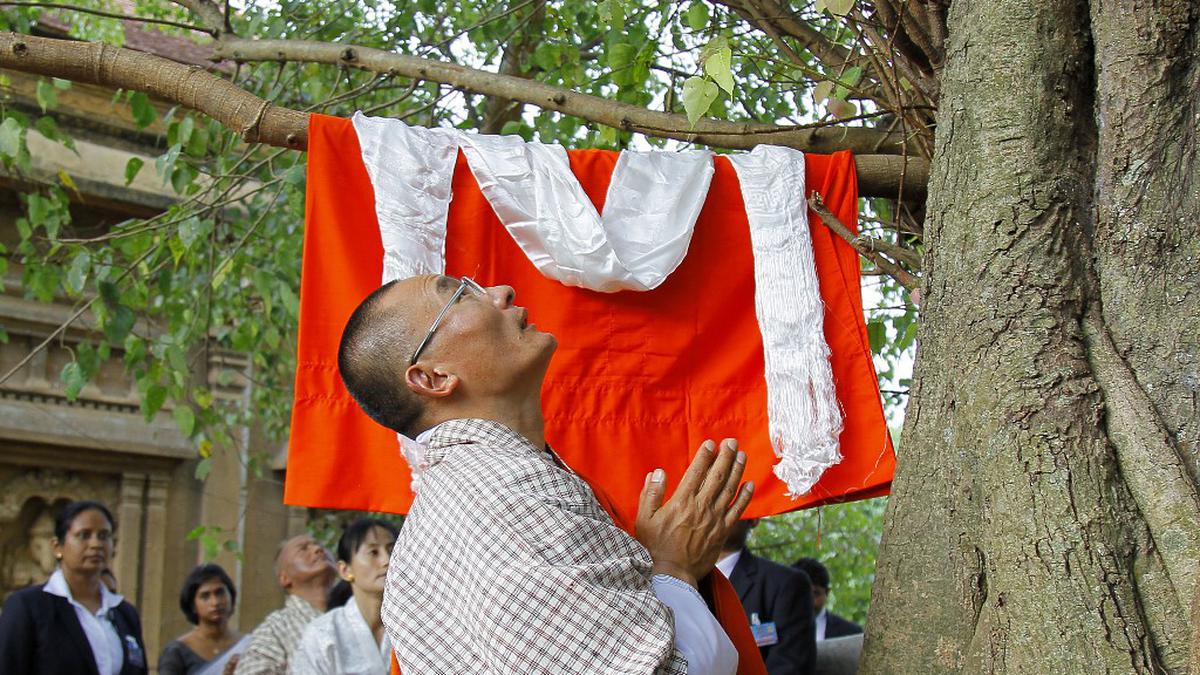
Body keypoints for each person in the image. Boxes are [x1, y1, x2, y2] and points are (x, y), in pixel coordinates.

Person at [337, 275, 761, 674]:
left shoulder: (480, 488)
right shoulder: (502, 497)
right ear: (433, 377)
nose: (500, 291)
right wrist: (674, 567)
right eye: (462, 294)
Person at [0, 500, 148, 674]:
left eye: (104, 536)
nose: (96, 544)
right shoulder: (28, 606)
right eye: (84, 535)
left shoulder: (125, 613)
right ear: (58, 547)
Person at [291, 518, 399, 674]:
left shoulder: (414, 627)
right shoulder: (323, 633)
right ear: (345, 570)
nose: (387, 561)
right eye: (373, 552)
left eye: (392, 551)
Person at [718, 519, 816, 674]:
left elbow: (789, 666)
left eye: (729, 501)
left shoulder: (786, 584)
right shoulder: (673, 580)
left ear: (753, 519)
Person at [234, 535, 337, 675]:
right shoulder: (275, 627)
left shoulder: (360, 611)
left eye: (319, 545)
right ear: (284, 578)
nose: (318, 549)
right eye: (303, 549)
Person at [159, 564, 248, 675]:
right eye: (205, 596)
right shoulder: (177, 652)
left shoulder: (249, 646)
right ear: (193, 606)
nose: (215, 602)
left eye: (220, 593)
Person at [792, 558, 862, 640]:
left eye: (815, 594)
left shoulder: (851, 633)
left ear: (827, 593)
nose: (808, 602)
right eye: (801, 594)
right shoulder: (775, 629)